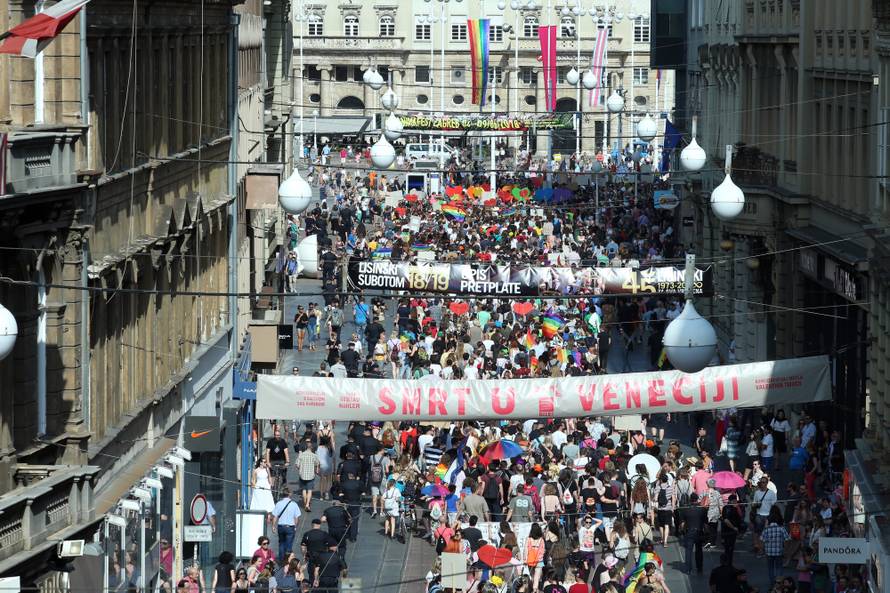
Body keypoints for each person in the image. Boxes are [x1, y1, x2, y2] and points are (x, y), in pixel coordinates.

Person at [271, 488, 302, 563]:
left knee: (281, 544)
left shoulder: (278, 503)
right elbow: (296, 518)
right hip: (290, 527)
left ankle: (281, 560)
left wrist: (273, 526)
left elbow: (275, 516)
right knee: (289, 545)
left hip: (281, 526)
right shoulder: (294, 504)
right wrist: (295, 526)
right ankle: (287, 561)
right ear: (289, 494)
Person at [679, 492, 706, 574]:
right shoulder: (702, 509)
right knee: (699, 550)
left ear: (690, 499)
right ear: (697, 499)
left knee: (688, 551)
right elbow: (705, 523)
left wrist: (682, 531)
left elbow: (682, 523)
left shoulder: (685, 509)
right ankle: (699, 568)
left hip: (689, 531)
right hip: (699, 531)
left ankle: (688, 569)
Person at [762, 508, 790, 584]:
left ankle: (772, 583)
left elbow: (762, 540)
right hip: (779, 551)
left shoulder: (766, 529)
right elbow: (787, 539)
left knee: (770, 568)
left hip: (769, 552)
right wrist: (785, 549)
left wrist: (763, 549)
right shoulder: (781, 529)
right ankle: (779, 583)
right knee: (779, 567)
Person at [295, 443, 320, 511]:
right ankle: (307, 504)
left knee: (303, 489)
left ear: (305, 447)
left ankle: (305, 502)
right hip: (310, 475)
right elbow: (317, 463)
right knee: (309, 490)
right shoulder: (314, 455)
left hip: (302, 475)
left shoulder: (301, 455)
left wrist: (300, 468)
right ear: (311, 448)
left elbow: (297, 464)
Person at [525, 523, 547, 593]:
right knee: (537, 576)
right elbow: (543, 551)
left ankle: (531, 589)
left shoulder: (528, 539)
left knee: (532, 575)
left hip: (530, 560)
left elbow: (526, 550)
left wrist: (525, 559)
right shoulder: (541, 540)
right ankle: (535, 590)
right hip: (539, 560)